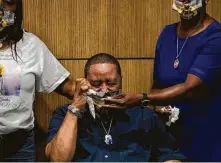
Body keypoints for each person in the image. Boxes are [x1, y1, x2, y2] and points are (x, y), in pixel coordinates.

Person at [104, 0, 221, 161]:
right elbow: (157, 84)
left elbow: (190, 87)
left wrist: (141, 98)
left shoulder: (216, 36)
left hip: (203, 132)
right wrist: (154, 107)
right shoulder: (167, 33)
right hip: (168, 133)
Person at [45, 53, 186, 162]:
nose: (104, 90)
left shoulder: (144, 115)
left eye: (111, 83)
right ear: (86, 82)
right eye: (96, 83)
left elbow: (169, 154)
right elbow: (58, 160)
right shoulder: (65, 114)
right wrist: (75, 108)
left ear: (121, 81)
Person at [0, 0, 76, 161]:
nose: (1, 8)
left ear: (17, 8)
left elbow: (66, 86)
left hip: (17, 148)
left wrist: (93, 89)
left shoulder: (30, 44)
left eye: (8, 2)